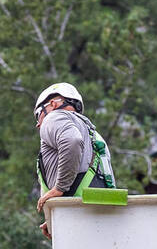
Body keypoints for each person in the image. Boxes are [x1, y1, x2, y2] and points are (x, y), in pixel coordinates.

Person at [33, 82, 115, 234]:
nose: (38, 125)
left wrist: (59, 189)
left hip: (78, 214)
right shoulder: (93, 135)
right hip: (99, 214)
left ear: (52, 104)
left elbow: (72, 141)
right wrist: (55, 217)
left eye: (38, 115)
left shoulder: (53, 118)